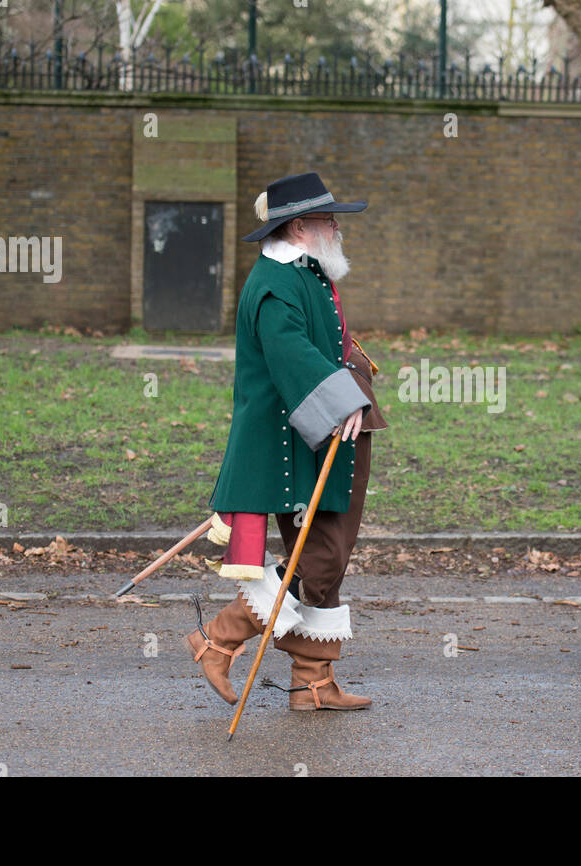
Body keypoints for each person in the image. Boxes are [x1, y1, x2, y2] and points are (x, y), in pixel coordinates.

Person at [186, 172, 387, 710]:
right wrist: (342, 398)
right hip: (291, 442)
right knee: (321, 557)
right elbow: (289, 353)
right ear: (300, 227)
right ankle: (218, 639)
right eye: (328, 219)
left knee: (330, 555)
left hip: (318, 433)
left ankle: (312, 682)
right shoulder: (276, 283)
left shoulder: (304, 271)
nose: (336, 227)